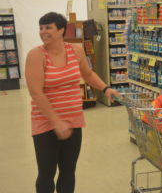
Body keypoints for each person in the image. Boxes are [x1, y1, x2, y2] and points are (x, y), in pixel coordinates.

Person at [25, 12, 120, 193]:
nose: (43, 32)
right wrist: (56, 122)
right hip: (46, 123)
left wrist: (106, 88)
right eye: (41, 28)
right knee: (46, 173)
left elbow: (88, 74)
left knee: (69, 171)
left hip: (73, 120)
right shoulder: (36, 55)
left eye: (48, 27)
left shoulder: (75, 50)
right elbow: (36, 93)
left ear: (61, 30)